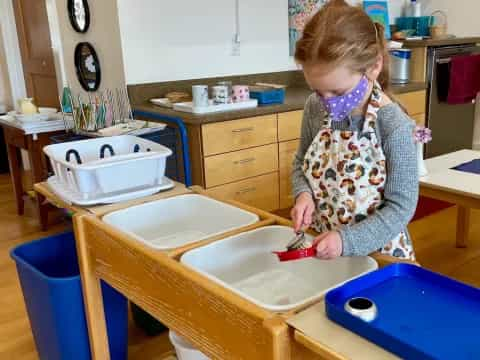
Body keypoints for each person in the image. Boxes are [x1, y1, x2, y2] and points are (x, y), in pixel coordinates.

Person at [291, 0, 419, 261]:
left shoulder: (393, 125)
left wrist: (347, 240)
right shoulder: (315, 108)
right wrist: (303, 193)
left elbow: (401, 207)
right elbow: (300, 162)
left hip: (379, 254)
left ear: (373, 67)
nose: (327, 101)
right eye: (317, 91)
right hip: (324, 245)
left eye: (338, 92)